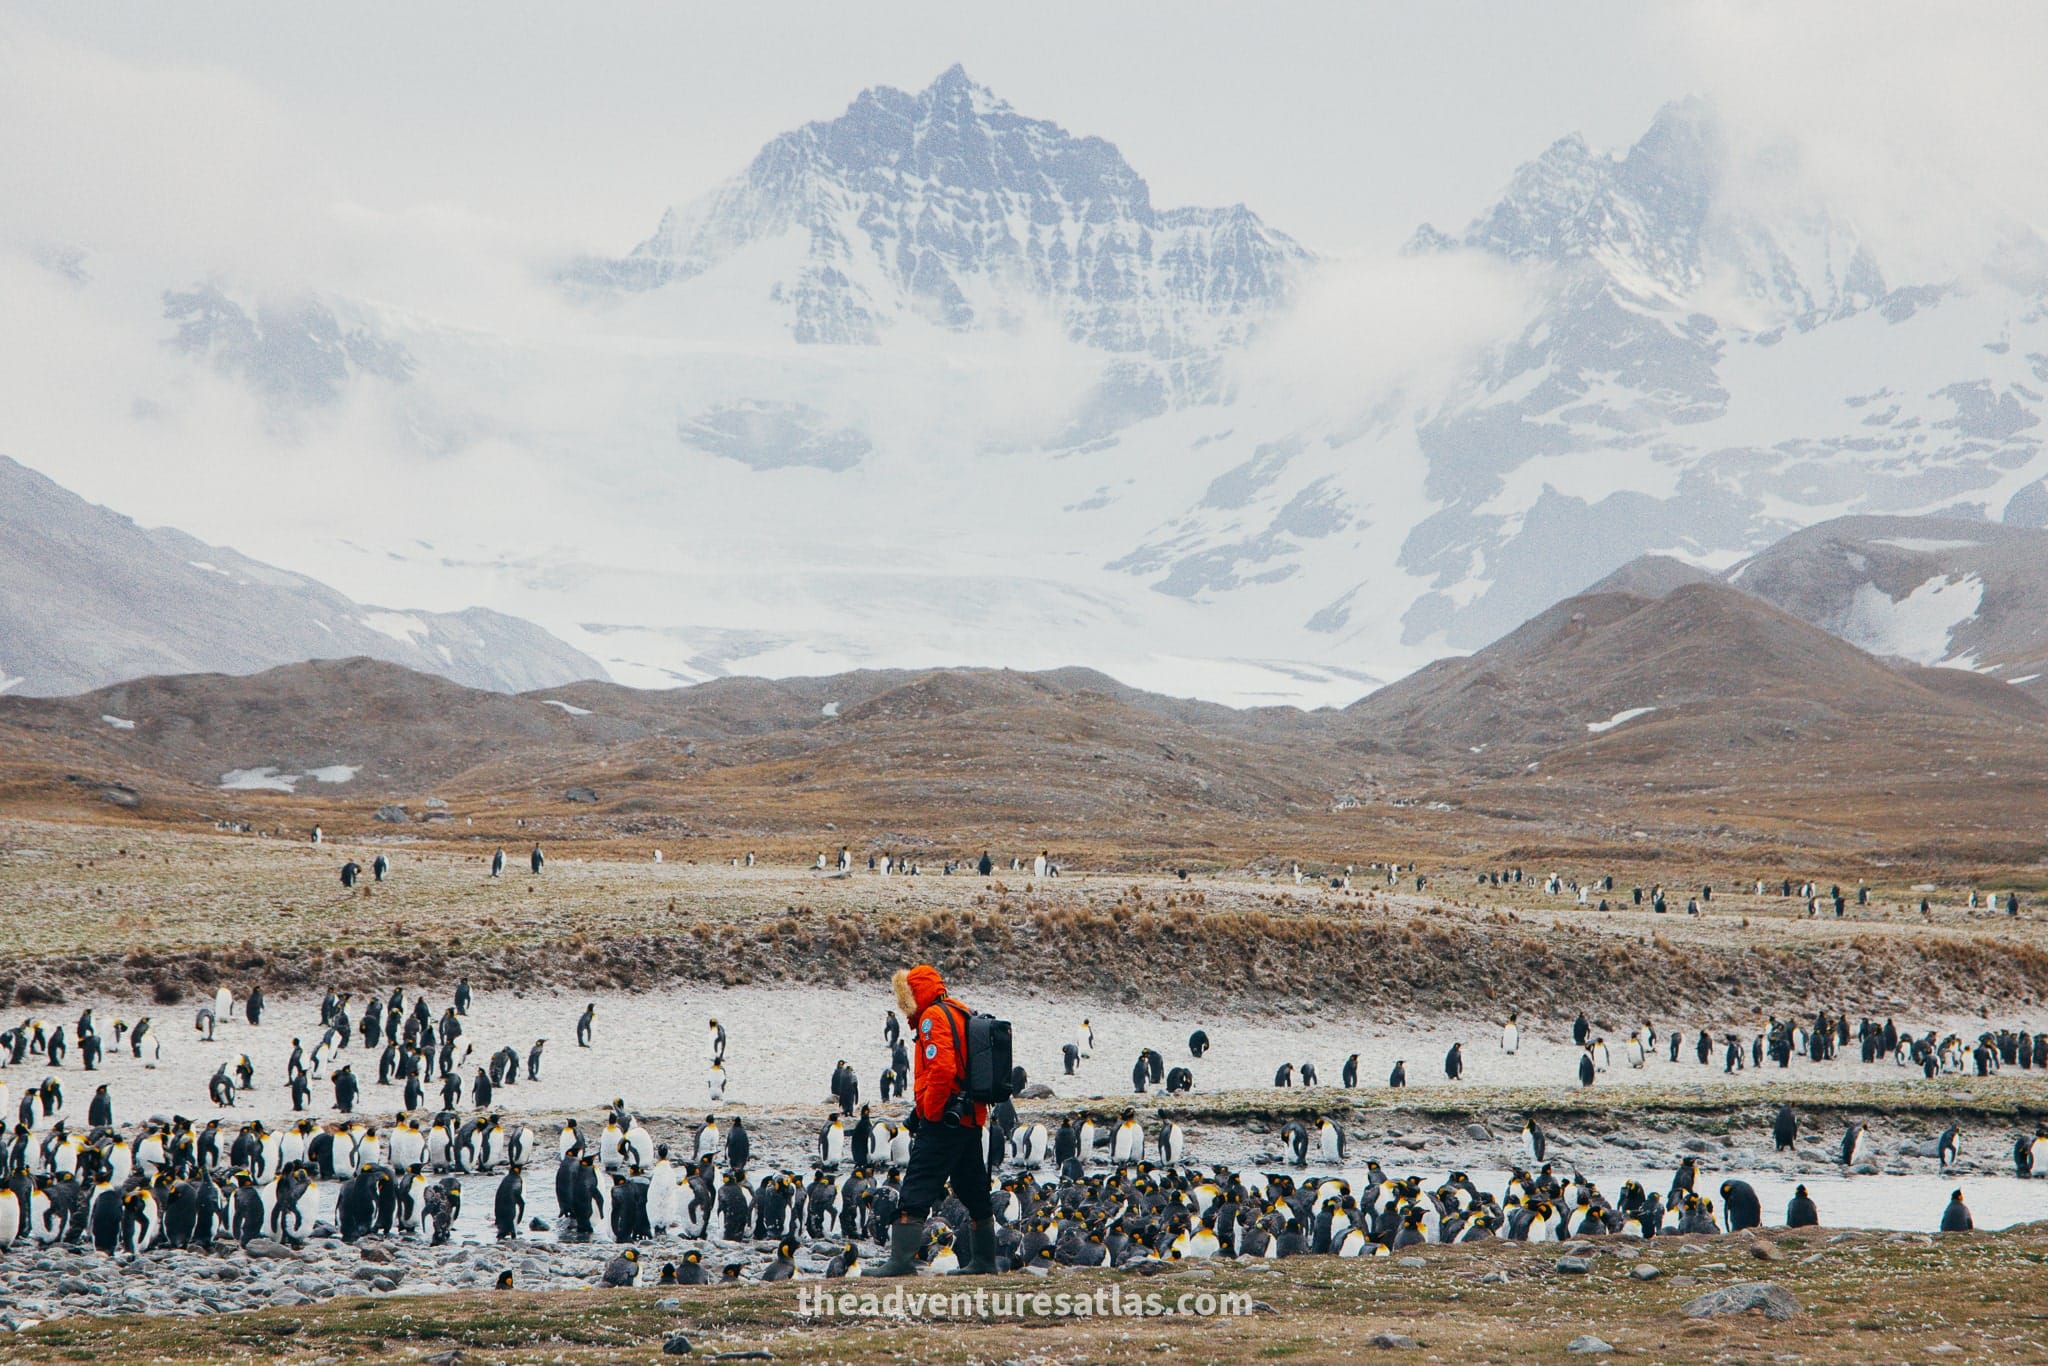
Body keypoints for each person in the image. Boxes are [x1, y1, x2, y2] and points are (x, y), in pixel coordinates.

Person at [871, 963, 996, 1277]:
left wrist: (930, 1112)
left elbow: (941, 1070)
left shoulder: (931, 1018)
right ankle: (985, 1260)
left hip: (945, 1120)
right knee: (972, 1187)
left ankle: (899, 1261)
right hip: (969, 1116)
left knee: (917, 1185)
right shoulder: (960, 1010)